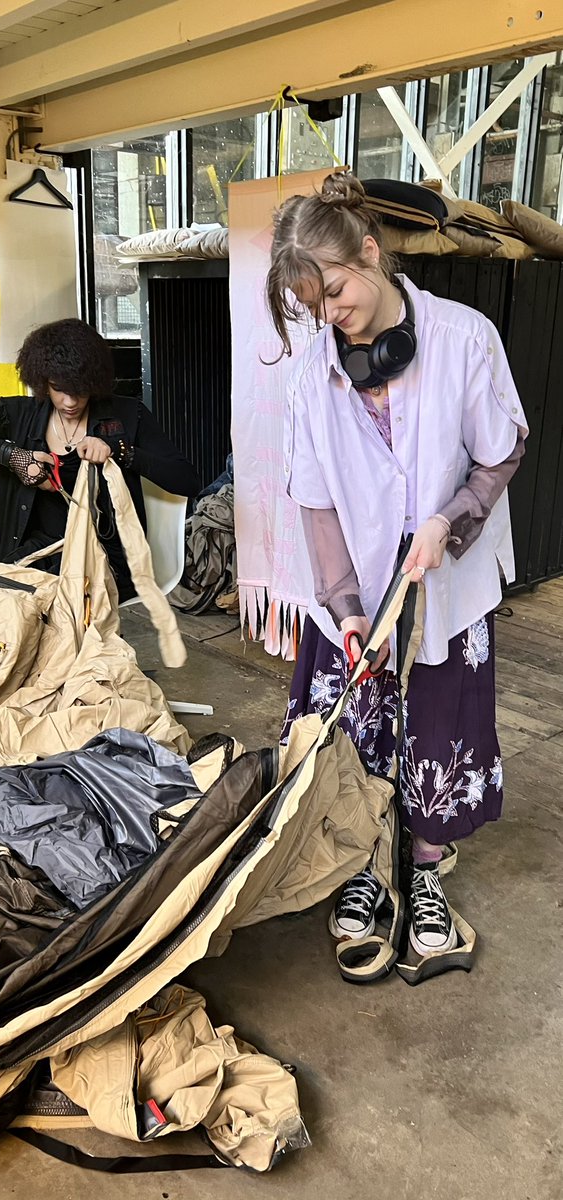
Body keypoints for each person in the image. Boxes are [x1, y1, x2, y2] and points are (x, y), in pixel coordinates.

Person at [267, 171, 528, 957]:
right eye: (314, 310)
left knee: (438, 730)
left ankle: (422, 872)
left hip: (443, 587)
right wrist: (346, 608)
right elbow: (314, 503)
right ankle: (357, 861)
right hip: (354, 599)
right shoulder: (314, 376)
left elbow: (500, 452)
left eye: (337, 294)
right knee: (353, 732)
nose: (333, 319)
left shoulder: (463, 338)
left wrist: (449, 519)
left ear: (372, 254)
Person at [0, 318, 201, 600]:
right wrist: (14, 456)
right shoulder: (21, 414)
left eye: (79, 390)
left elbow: (187, 481)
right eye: (59, 389)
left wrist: (119, 451)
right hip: (31, 556)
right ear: (43, 381)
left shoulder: (127, 415)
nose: (70, 402)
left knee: (38, 605)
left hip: (102, 560)